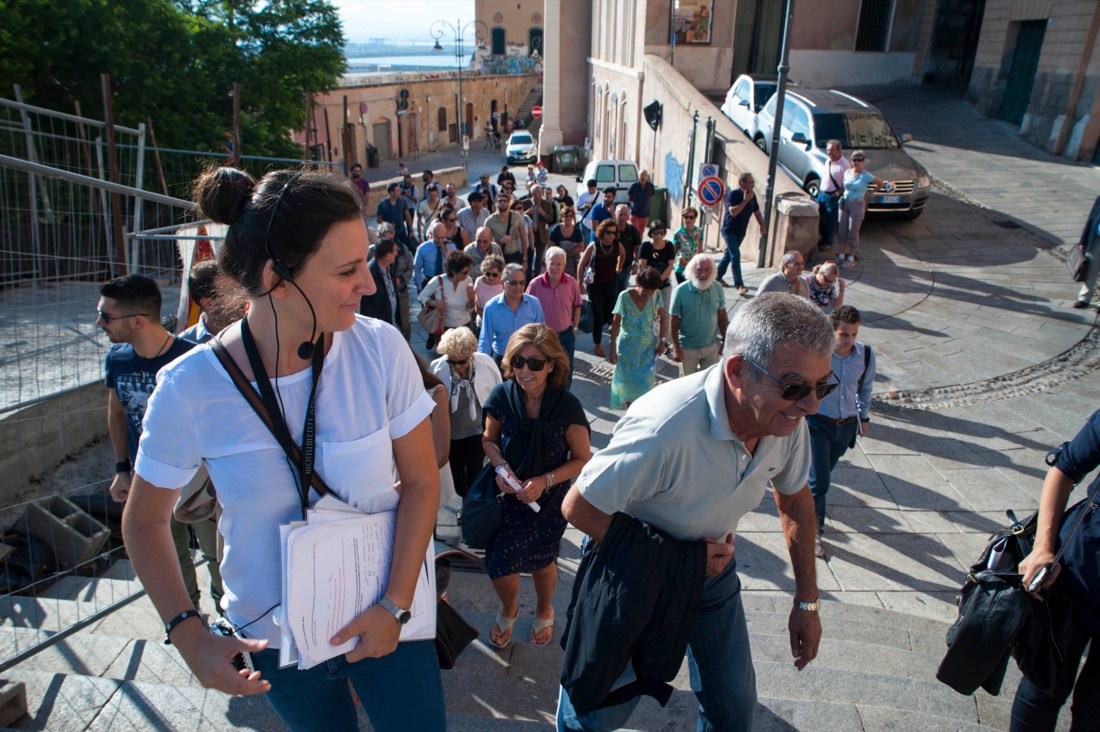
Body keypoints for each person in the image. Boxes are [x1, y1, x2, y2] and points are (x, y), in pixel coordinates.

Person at [121, 166, 445, 729]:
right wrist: (187, 632)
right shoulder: (190, 387)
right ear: (277, 277)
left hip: (388, 615)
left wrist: (393, 607)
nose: (368, 285)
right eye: (346, 271)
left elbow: (420, 481)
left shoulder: (380, 349)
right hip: (275, 640)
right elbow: (144, 521)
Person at [557, 293, 833, 732]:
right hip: (634, 574)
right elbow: (578, 506)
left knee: (734, 711)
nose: (812, 405)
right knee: (596, 708)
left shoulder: (783, 420)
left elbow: (796, 499)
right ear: (737, 370)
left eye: (823, 386)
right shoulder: (665, 429)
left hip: (712, 573)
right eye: (795, 385)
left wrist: (807, 601)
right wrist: (679, 562)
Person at [482, 324, 591, 648]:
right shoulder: (502, 395)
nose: (524, 370)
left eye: (534, 363)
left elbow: (583, 458)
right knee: (499, 563)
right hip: (507, 496)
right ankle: (509, 607)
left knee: (543, 563)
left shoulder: (567, 406)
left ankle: (544, 608)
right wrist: (501, 468)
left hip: (550, 500)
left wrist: (545, 482)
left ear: (551, 366)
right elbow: (488, 441)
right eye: (518, 361)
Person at [100, 275, 203, 609]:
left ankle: (227, 622)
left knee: (217, 556)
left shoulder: (194, 359)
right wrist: (121, 469)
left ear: (137, 321)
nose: (99, 323)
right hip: (150, 479)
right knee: (170, 556)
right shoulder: (117, 359)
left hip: (199, 481)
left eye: (106, 316)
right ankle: (190, 621)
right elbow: (116, 413)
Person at [1012, 409, 1100, 731]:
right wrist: (1043, 547)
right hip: (1075, 577)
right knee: (1042, 690)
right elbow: (1065, 468)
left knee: (1094, 713)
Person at [807, 305, 874, 559]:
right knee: (820, 483)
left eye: (854, 334)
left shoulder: (865, 354)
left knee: (820, 476)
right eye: (844, 334)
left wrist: (863, 416)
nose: (850, 340)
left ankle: (805, 492)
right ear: (832, 331)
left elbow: (864, 388)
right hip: (818, 424)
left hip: (845, 427)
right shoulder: (818, 353)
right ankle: (814, 533)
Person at [429, 327, 502, 499]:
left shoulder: (485, 364)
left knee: (474, 470)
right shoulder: (437, 368)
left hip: (478, 431)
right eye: (452, 362)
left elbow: (498, 394)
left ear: (471, 355)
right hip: (451, 434)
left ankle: (471, 506)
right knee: (456, 474)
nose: (457, 366)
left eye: (462, 362)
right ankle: (466, 497)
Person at [609, 267, 665, 410]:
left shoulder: (656, 295)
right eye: (645, 290)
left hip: (648, 350)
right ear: (638, 283)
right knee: (627, 384)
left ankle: (641, 411)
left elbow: (662, 318)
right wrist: (612, 349)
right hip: (627, 350)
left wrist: (662, 341)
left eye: (651, 291)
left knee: (646, 383)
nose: (648, 294)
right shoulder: (624, 297)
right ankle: (630, 411)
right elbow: (615, 324)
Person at [527, 247, 583, 382]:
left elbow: (577, 306)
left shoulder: (571, 283)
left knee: (566, 370)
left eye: (559, 264)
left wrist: (574, 328)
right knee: (543, 371)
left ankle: (565, 399)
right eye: (552, 263)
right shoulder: (535, 284)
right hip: (543, 337)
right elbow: (526, 309)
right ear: (546, 263)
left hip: (565, 335)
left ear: (564, 265)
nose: (555, 268)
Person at [669, 254, 728, 377]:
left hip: (711, 347)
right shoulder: (680, 291)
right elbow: (673, 321)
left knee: (711, 384)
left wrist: (726, 340)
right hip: (687, 349)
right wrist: (676, 347)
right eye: (699, 270)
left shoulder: (717, 288)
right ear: (692, 271)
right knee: (687, 387)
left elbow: (722, 316)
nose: (704, 274)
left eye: (707, 270)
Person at [478, 263, 545, 364]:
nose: (518, 286)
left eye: (522, 283)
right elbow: (485, 341)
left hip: (528, 361)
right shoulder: (491, 307)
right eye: (513, 283)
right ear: (502, 283)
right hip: (502, 360)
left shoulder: (534, 304)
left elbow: (542, 334)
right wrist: (481, 365)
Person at [578, 219, 625, 358]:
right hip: (595, 287)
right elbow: (581, 265)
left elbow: (623, 254)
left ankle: (609, 337)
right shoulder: (594, 246)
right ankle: (597, 343)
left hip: (611, 285)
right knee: (598, 316)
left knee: (609, 314)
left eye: (614, 233)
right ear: (602, 232)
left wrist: (619, 267)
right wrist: (579, 284)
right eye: (608, 232)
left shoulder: (617, 245)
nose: (611, 236)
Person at [838, 150, 892, 269]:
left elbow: (881, 184)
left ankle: (851, 258)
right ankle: (841, 255)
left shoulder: (866, 175)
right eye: (854, 160)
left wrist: (869, 193)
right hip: (845, 202)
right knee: (842, 229)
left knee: (853, 231)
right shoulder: (847, 172)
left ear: (863, 162)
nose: (856, 162)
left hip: (857, 204)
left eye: (859, 160)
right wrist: (836, 193)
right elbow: (844, 186)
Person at [717, 172, 764, 294]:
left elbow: (757, 212)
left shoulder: (752, 196)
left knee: (728, 255)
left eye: (753, 182)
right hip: (729, 230)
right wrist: (745, 201)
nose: (752, 185)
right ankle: (739, 285)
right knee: (735, 256)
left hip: (740, 232)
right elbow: (733, 212)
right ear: (741, 183)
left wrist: (763, 226)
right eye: (749, 182)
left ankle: (716, 276)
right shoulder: (734, 194)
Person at [418, 250, 476, 346]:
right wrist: (434, 303)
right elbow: (421, 296)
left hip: (465, 326)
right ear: (454, 272)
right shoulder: (438, 280)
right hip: (445, 328)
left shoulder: (468, 280)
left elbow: (470, 308)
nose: (468, 274)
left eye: (469, 271)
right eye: (465, 272)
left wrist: (471, 298)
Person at [637, 220, 676, 338]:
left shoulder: (669, 245)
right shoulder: (646, 246)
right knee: (647, 311)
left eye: (661, 232)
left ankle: (666, 339)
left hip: (664, 284)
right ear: (651, 233)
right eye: (655, 232)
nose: (658, 235)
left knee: (664, 312)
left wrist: (659, 280)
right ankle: (647, 337)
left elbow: (670, 265)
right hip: (648, 285)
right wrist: (651, 282)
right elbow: (642, 264)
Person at [816, 140, 850, 252]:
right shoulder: (828, 161)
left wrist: (837, 193)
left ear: (839, 150)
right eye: (828, 150)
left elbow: (847, 183)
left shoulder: (844, 165)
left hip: (832, 196)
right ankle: (822, 238)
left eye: (832, 150)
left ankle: (828, 241)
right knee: (820, 218)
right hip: (822, 194)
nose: (829, 152)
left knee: (830, 220)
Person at [359, 238, 399, 325]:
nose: (397, 253)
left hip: (390, 322)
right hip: (378, 326)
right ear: (388, 256)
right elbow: (365, 305)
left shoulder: (388, 268)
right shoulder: (370, 273)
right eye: (395, 251)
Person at [1072, 195, 1100, 310]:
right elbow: (1091, 219)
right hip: (1096, 239)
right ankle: (1084, 298)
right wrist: (1083, 240)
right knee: (1091, 269)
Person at [485, 194, 528, 268]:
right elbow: (486, 243)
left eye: (505, 201)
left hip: (514, 255)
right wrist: (500, 241)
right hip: (498, 255)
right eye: (500, 201)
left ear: (509, 203)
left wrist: (524, 259)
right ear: (496, 203)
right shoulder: (489, 221)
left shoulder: (516, 216)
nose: (503, 203)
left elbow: (524, 238)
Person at [414, 221, 457, 291]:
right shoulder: (423, 248)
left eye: (442, 238)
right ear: (432, 235)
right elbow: (417, 269)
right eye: (437, 238)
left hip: (446, 281)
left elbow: (456, 267)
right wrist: (419, 288)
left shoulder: (451, 246)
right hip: (429, 280)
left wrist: (447, 255)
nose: (440, 241)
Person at [529, 185, 558, 279]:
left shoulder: (546, 204)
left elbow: (551, 218)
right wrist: (527, 212)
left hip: (541, 235)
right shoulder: (526, 203)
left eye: (541, 192)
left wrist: (543, 213)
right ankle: (528, 276)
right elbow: (519, 215)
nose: (540, 194)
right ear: (532, 194)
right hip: (530, 234)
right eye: (537, 192)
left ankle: (536, 277)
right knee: (529, 256)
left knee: (539, 258)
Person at [549, 206, 585, 281]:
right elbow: (550, 245)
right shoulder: (556, 229)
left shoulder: (577, 231)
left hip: (573, 261)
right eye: (566, 216)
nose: (568, 218)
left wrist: (572, 252)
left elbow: (582, 247)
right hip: (559, 259)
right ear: (562, 217)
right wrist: (561, 252)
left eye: (570, 216)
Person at [613, 204, 640, 295]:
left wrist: (636, 264)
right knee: (612, 293)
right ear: (615, 215)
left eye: (625, 215)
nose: (622, 217)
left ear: (628, 216)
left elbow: (637, 248)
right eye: (620, 214)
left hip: (626, 267)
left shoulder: (632, 230)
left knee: (622, 293)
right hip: (611, 267)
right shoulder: (610, 230)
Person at [672, 206, 703, 285]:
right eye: (686, 217)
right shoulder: (678, 233)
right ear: (683, 218)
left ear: (695, 219)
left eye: (691, 217)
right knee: (683, 291)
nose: (688, 219)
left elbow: (700, 249)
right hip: (681, 267)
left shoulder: (699, 231)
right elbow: (674, 251)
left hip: (695, 266)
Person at [473, 254, 506, 328]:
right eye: (487, 274)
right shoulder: (479, 282)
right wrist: (488, 321)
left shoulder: (505, 284)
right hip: (483, 324)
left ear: (501, 273)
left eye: (494, 275)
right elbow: (477, 307)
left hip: (500, 325)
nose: (490, 277)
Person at [626, 169, 656, 235]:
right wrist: (636, 203)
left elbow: (652, 196)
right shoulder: (633, 186)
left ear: (647, 177)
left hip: (645, 213)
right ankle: (633, 244)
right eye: (641, 176)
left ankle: (639, 245)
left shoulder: (650, 186)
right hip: (635, 213)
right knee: (635, 231)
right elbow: (629, 198)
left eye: (645, 177)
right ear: (638, 176)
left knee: (641, 232)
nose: (643, 178)